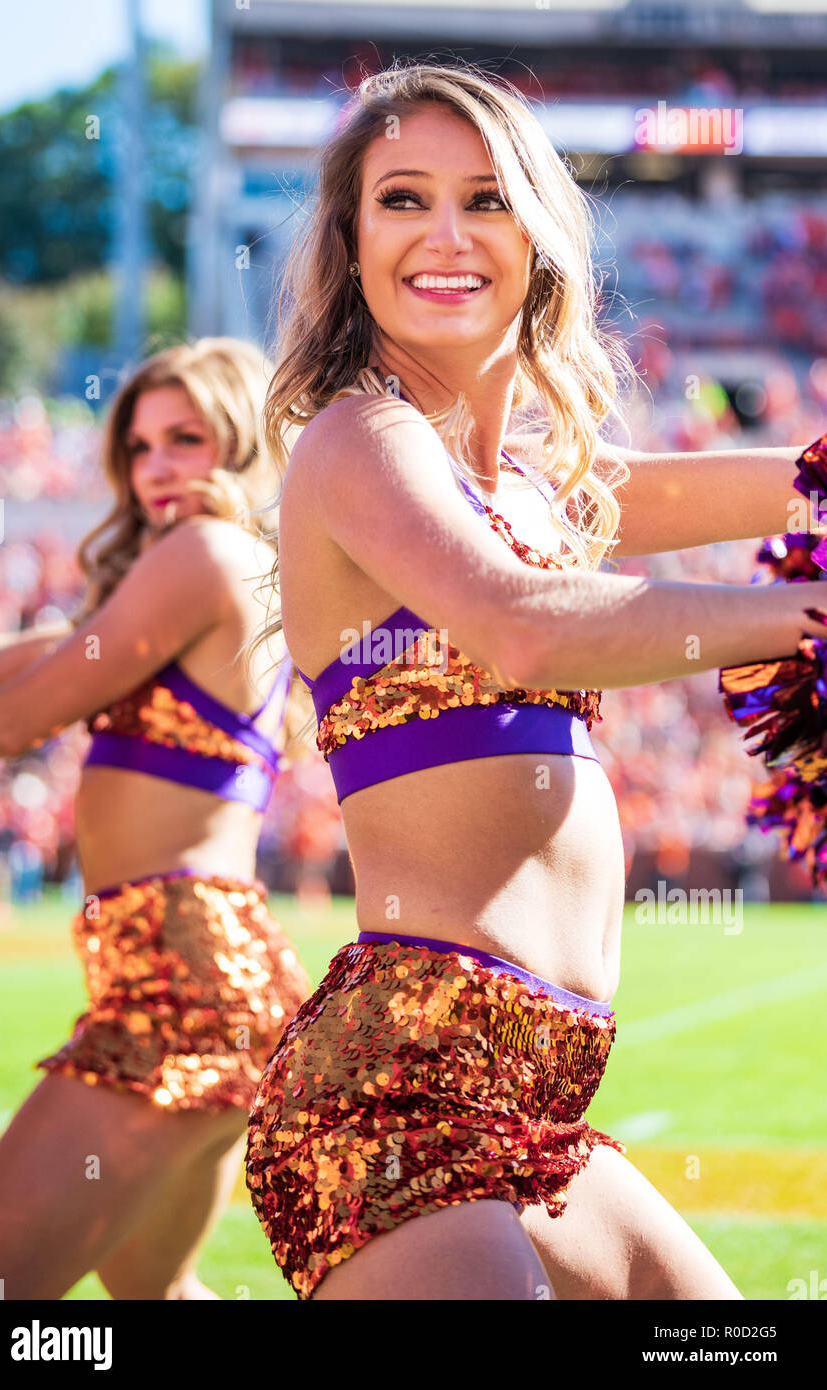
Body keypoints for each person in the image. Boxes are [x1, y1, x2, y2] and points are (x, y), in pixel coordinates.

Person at [244, 60, 826, 1301]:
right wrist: (808, 617)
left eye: (485, 198)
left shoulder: (545, 487)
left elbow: (782, 479)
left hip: (537, 1108)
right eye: (402, 200)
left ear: (539, 236)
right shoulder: (360, 441)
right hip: (397, 1101)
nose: (445, 236)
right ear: (350, 245)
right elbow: (526, 625)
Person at [0, 338, 311, 1299]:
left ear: (239, 445)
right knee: (153, 1300)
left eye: (186, 439)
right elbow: (3, 665)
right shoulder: (212, 566)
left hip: (183, 983)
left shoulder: (207, 552)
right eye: (141, 445)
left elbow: (11, 718)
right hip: (205, 975)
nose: (156, 466)